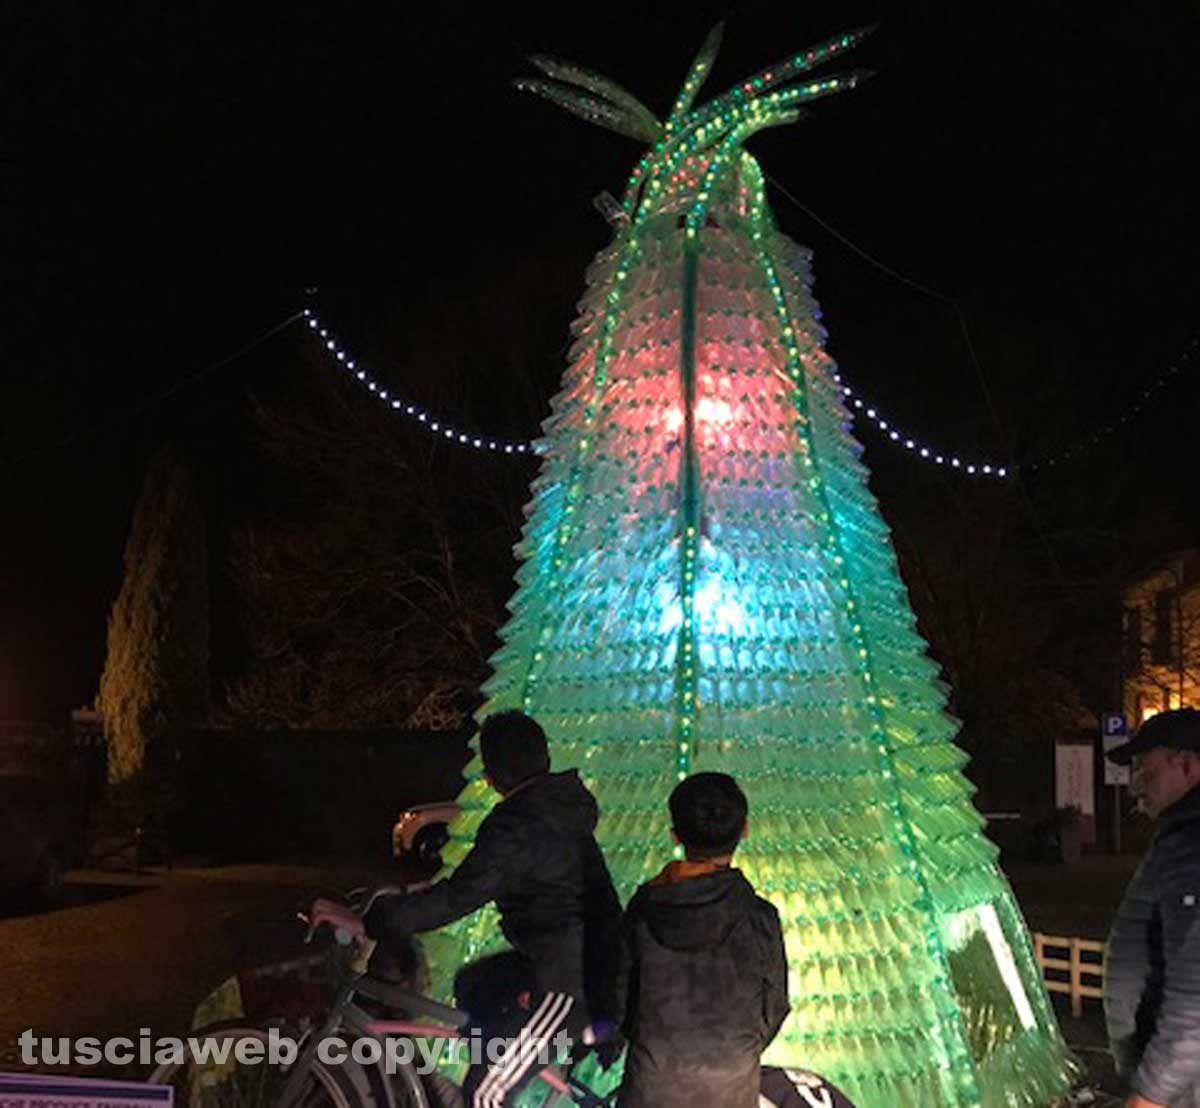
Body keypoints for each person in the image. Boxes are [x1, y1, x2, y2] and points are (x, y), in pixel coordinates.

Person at [309, 710, 622, 1108]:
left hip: (566, 983)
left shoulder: (518, 825)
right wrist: (414, 894)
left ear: (492, 775)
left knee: (485, 1094)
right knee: (474, 985)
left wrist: (370, 921)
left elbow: (460, 897)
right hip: (576, 958)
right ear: (542, 758)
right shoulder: (554, 810)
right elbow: (485, 879)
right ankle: (504, 1051)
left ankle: (503, 1062)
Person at [618, 772, 789, 1108]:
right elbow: (775, 1006)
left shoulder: (643, 910)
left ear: (675, 835)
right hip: (730, 1090)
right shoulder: (759, 918)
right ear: (745, 830)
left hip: (653, 1086)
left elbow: (620, 998)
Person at [1104, 707, 1200, 1108]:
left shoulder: (1194, 847)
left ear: (1187, 765)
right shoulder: (1180, 838)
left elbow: (1196, 991)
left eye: (1146, 769)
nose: (1134, 785)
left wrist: (1150, 1096)